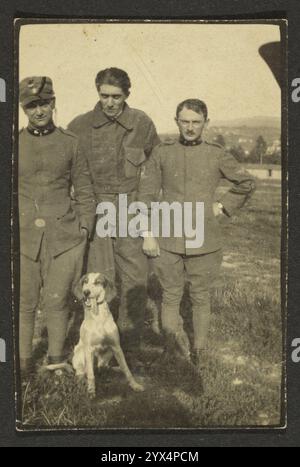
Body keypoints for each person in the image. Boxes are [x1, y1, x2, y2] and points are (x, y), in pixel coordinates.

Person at [138, 98, 256, 372]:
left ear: (206, 123)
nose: (190, 127)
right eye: (185, 121)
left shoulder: (216, 154)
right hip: (167, 238)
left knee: (201, 296)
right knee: (170, 295)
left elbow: (247, 182)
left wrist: (223, 206)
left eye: (196, 122)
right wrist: (147, 233)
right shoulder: (161, 152)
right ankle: (169, 350)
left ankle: (199, 350)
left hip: (205, 238)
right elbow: (144, 196)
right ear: (176, 121)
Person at [68, 68, 160, 364]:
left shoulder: (141, 123)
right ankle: (97, 348)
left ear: (127, 95)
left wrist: (143, 206)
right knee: (100, 278)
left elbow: (153, 165)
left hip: (130, 205)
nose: (109, 102)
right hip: (97, 207)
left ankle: (129, 347)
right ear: (98, 93)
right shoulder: (80, 126)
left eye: (116, 97)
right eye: (104, 95)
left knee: (135, 276)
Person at [18, 76, 95, 380]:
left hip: (65, 237)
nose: (39, 110)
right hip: (23, 237)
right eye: (31, 105)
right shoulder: (14, 142)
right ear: (24, 109)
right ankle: (23, 366)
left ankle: (55, 361)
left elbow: (86, 191)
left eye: (44, 103)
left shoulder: (69, 143)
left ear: (53, 103)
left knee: (58, 299)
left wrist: (85, 229)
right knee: (24, 301)